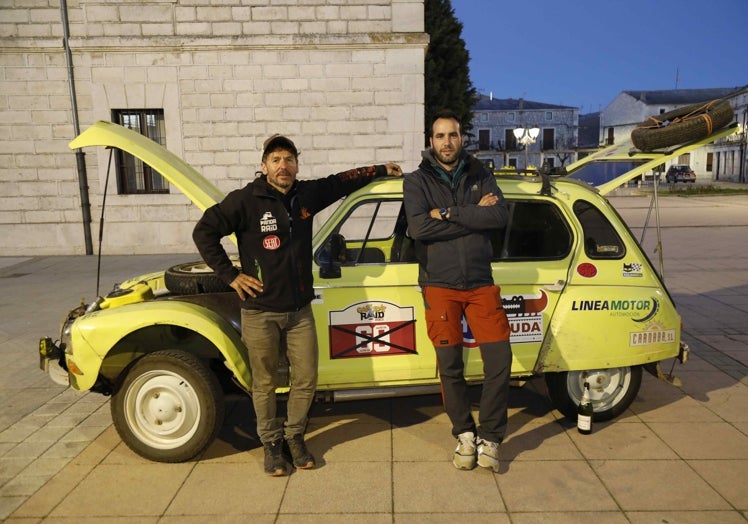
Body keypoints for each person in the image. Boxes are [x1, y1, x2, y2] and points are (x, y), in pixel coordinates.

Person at [193, 134, 402, 476]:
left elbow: (340, 182)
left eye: (289, 159)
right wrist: (231, 276)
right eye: (275, 160)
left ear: (297, 165)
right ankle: (272, 445)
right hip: (260, 312)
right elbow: (204, 232)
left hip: (300, 312)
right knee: (264, 383)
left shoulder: (306, 196)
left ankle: (294, 437)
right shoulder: (245, 201)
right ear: (264, 167)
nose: (283, 166)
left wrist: (379, 169)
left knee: (305, 378)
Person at [403, 109, 512, 472]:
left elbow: (498, 217)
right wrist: (470, 214)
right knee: (450, 366)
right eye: (439, 136)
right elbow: (418, 228)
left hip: (481, 283)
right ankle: (465, 434)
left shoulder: (481, 172)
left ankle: (492, 438)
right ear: (430, 141)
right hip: (439, 286)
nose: (446, 142)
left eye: (452, 135)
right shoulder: (417, 180)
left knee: (499, 362)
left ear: (461, 138)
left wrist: (446, 214)